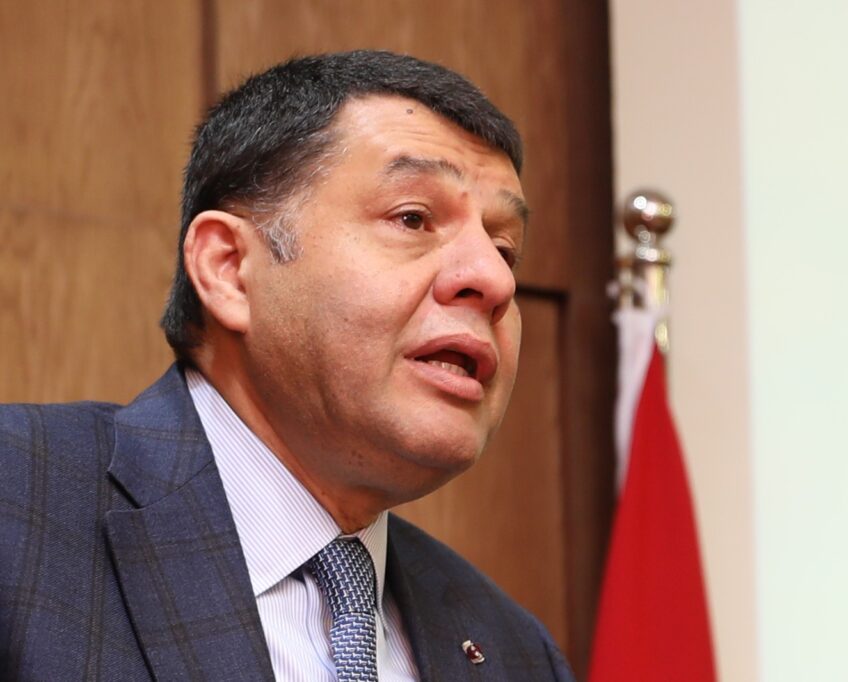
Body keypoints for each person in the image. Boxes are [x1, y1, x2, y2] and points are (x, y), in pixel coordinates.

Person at [0, 50, 574, 681]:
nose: (494, 280)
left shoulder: (517, 653)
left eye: (504, 248)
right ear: (229, 270)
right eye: (412, 218)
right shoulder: (17, 504)